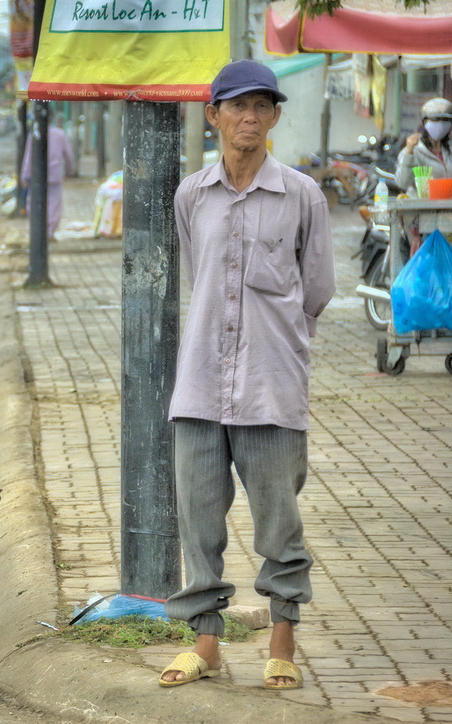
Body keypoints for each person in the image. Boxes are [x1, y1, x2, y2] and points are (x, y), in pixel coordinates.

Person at [158, 59, 335, 691]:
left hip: (270, 387)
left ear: (275, 117)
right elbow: (198, 275)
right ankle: (206, 645)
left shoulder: (302, 195)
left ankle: (282, 640)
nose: (250, 118)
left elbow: (316, 290)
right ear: (213, 116)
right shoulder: (191, 195)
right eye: (237, 106)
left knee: (278, 523)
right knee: (198, 521)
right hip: (201, 384)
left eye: (262, 106)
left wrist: (279, 344)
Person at [394, 97, 452, 255]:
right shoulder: (415, 150)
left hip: (448, 217)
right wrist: (408, 152)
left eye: (444, 120)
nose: (440, 124)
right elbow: (402, 182)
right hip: (422, 220)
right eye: (435, 119)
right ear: (425, 122)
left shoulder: (449, 151)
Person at [20, 114, 75, 240]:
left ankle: (37, 230)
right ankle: (49, 231)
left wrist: (25, 175)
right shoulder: (60, 134)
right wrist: (69, 171)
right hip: (54, 175)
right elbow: (68, 155)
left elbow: (29, 156)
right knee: (54, 204)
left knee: (34, 202)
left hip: (36, 175)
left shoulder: (34, 134)